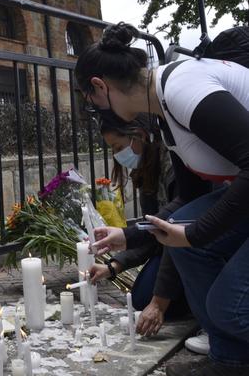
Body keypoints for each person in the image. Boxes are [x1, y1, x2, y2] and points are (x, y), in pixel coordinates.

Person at [75, 22, 249, 376]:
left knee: (229, 307)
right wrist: (130, 233)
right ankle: (231, 360)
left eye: (92, 105)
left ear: (100, 86)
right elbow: (192, 196)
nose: (97, 114)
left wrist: (195, 233)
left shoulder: (185, 88)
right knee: (189, 250)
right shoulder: (165, 110)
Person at [90, 115, 190, 338]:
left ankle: (200, 306)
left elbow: (173, 225)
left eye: (118, 146)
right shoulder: (146, 171)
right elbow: (151, 235)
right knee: (140, 297)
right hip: (167, 244)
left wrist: (159, 303)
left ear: (139, 135)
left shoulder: (172, 163)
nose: (117, 155)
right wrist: (113, 266)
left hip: (187, 241)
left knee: (153, 298)